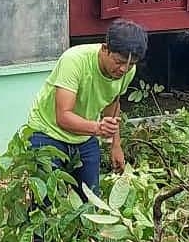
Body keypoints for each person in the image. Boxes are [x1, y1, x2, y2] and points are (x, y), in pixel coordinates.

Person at [24, 19, 148, 198]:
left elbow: (112, 103)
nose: (123, 69)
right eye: (119, 62)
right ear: (105, 49)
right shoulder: (74, 60)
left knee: (90, 200)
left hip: (84, 136)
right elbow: (63, 117)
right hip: (47, 132)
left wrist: (115, 145)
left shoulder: (128, 71)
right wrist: (97, 128)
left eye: (130, 64)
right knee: (45, 202)